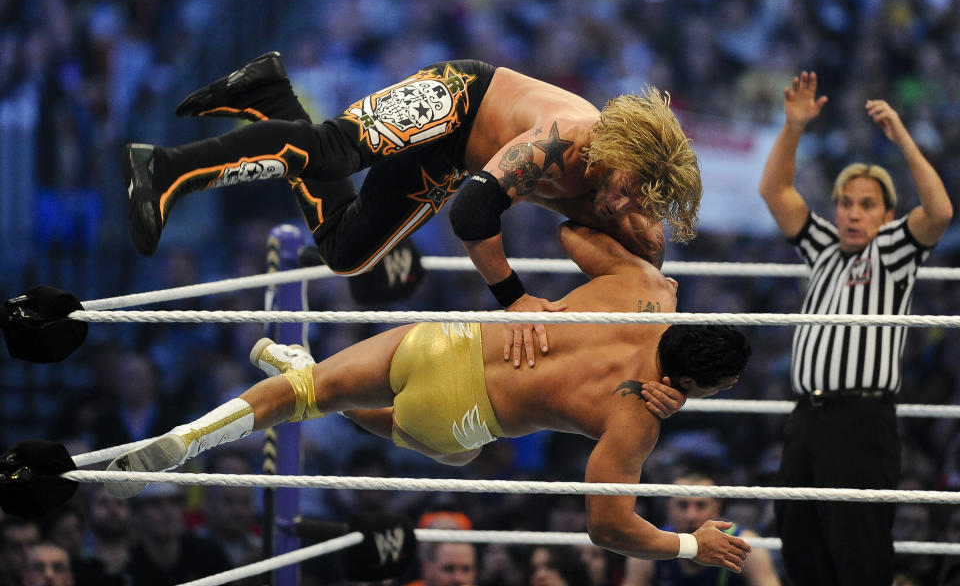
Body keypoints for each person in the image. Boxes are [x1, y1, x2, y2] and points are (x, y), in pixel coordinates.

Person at [106, 221, 751, 571]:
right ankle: (299, 370)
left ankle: (191, 436)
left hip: (451, 340)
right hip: (462, 420)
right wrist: (692, 544)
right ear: (688, 383)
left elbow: (571, 236)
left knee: (307, 392)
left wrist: (638, 238)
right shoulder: (636, 418)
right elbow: (606, 527)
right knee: (435, 443)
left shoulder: (651, 287)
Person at [123, 53, 702, 367]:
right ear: (614, 149)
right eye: (623, 185)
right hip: (458, 98)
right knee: (336, 149)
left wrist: (663, 372)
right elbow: (473, 213)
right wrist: (516, 300)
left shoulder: (636, 216)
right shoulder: (565, 139)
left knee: (347, 252)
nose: (619, 202)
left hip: (455, 159)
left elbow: (635, 282)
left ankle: (266, 94)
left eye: (637, 199)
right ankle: (167, 170)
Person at [757, 71, 953, 586]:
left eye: (866, 205)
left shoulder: (891, 251)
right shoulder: (822, 245)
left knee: (859, 550)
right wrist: (793, 127)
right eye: (846, 202)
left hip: (861, 419)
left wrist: (903, 139)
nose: (852, 213)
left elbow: (939, 211)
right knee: (798, 540)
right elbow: (774, 190)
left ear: (887, 215)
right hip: (807, 416)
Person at [621, 469, 780, 585]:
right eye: (683, 505)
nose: (691, 516)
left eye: (701, 505)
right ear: (669, 509)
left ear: (717, 509)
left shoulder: (746, 545)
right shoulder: (647, 549)